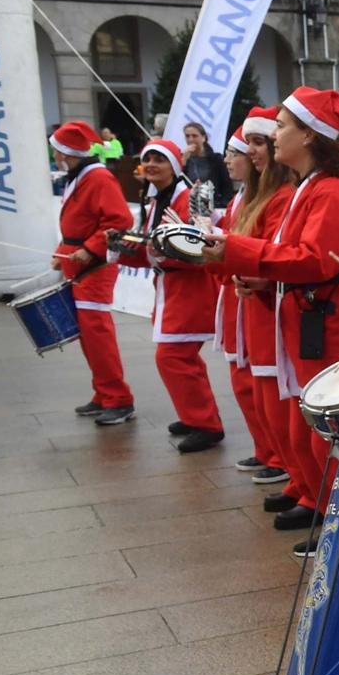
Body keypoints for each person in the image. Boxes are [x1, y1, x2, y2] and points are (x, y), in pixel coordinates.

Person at [203, 88, 339, 556]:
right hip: (312, 315)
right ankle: (324, 507)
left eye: (281, 125)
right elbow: (303, 259)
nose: (272, 134)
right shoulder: (313, 186)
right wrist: (261, 279)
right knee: (308, 427)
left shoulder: (333, 191)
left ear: (309, 134)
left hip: (330, 319)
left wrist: (237, 251)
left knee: (325, 428)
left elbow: (315, 260)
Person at [129, 139, 228, 454]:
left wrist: (157, 253)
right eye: (149, 159)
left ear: (174, 164)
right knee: (181, 358)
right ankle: (194, 415)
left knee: (172, 357)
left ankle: (207, 424)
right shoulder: (157, 199)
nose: (153, 165)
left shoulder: (191, 197)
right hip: (171, 290)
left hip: (191, 291)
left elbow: (199, 247)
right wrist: (121, 247)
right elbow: (153, 246)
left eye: (160, 159)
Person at [50, 121, 136, 424]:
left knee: (97, 334)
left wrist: (88, 249)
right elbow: (79, 222)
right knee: (88, 335)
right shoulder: (82, 176)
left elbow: (119, 220)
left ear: (65, 152)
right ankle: (103, 392)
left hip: (94, 266)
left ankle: (118, 398)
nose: (54, 154)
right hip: (79, 262)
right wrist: (63, 252)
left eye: (56, 149)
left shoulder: (98, 178)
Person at [213, 125, 284, 480]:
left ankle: (280, 461)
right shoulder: (245, 197)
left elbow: (278, 252)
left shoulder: (281, 194)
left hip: (266, 303)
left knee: (268, 389)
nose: (230, 159)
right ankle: (270, 453)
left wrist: (248, 272)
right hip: (249, 297)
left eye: (257, 144)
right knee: (252, 385)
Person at [181, 122, 234, 206]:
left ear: (203, 138)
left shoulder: (216, 159)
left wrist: (222, 205)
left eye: (194, 136)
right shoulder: (184, 160)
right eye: (187, 136)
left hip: (213, 206)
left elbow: (227, 186)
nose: (190, 139)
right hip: (190, 206)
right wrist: (183, 161)